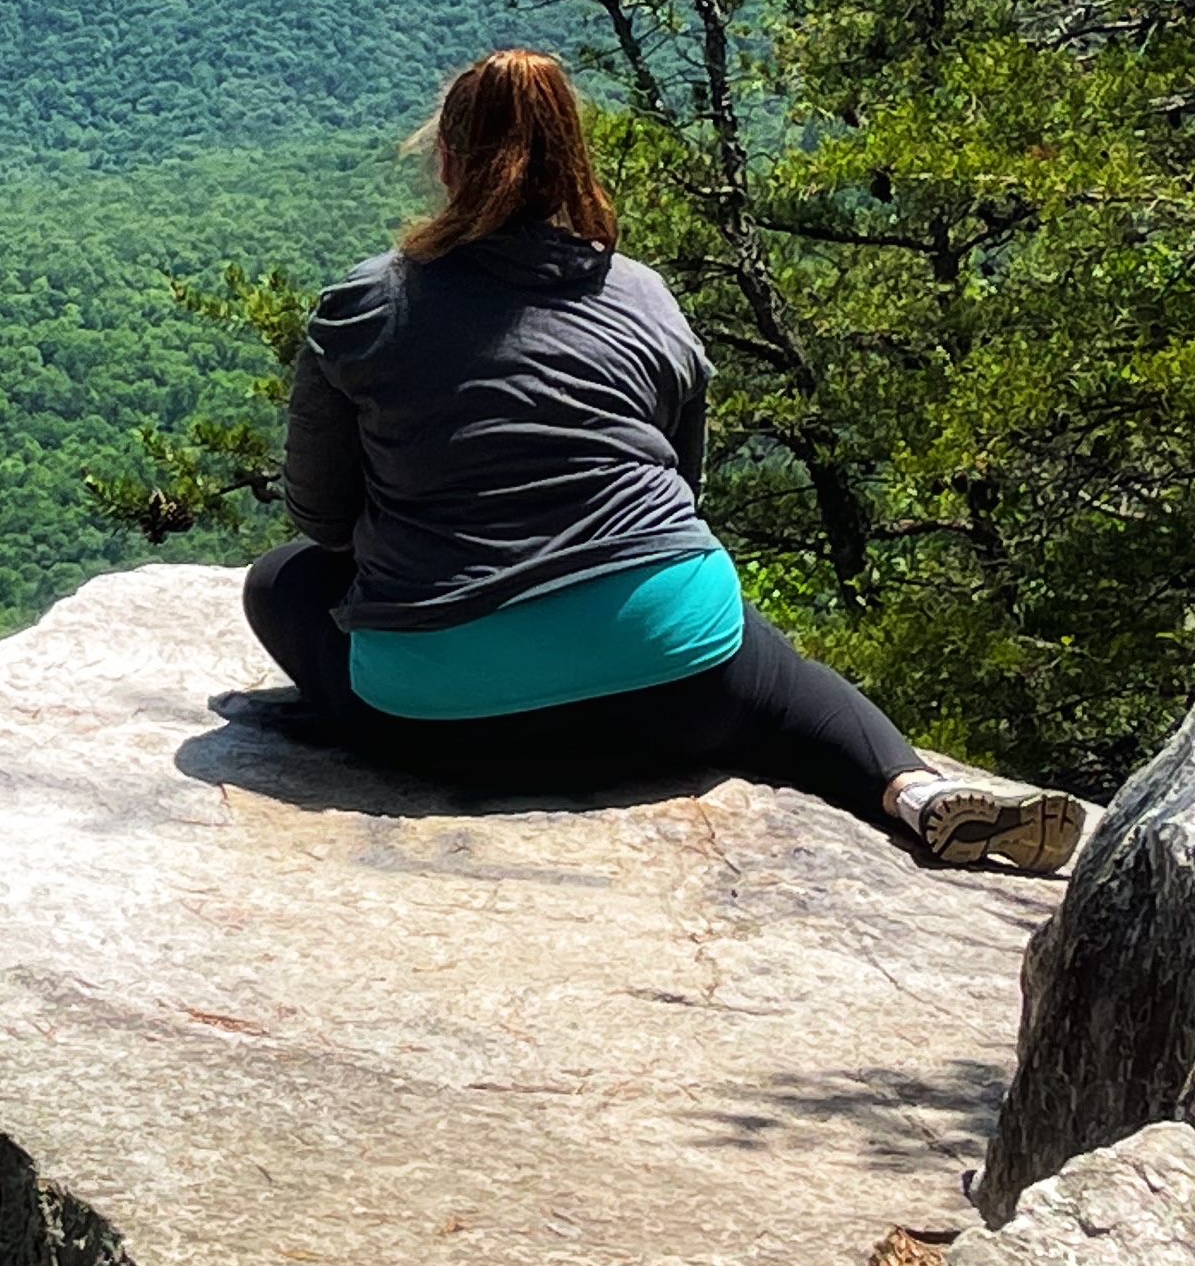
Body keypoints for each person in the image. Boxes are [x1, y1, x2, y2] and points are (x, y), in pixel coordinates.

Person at [241, 48, 1082, 873]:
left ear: (449, 163)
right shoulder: (642, 294)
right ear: (573, 165)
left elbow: (319, 516)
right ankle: (915, 792)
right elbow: (684, 497)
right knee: (774, 669)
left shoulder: (368, 301)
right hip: (677, 691)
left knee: (281, 582)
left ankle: (480, 679)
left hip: (442, 721)